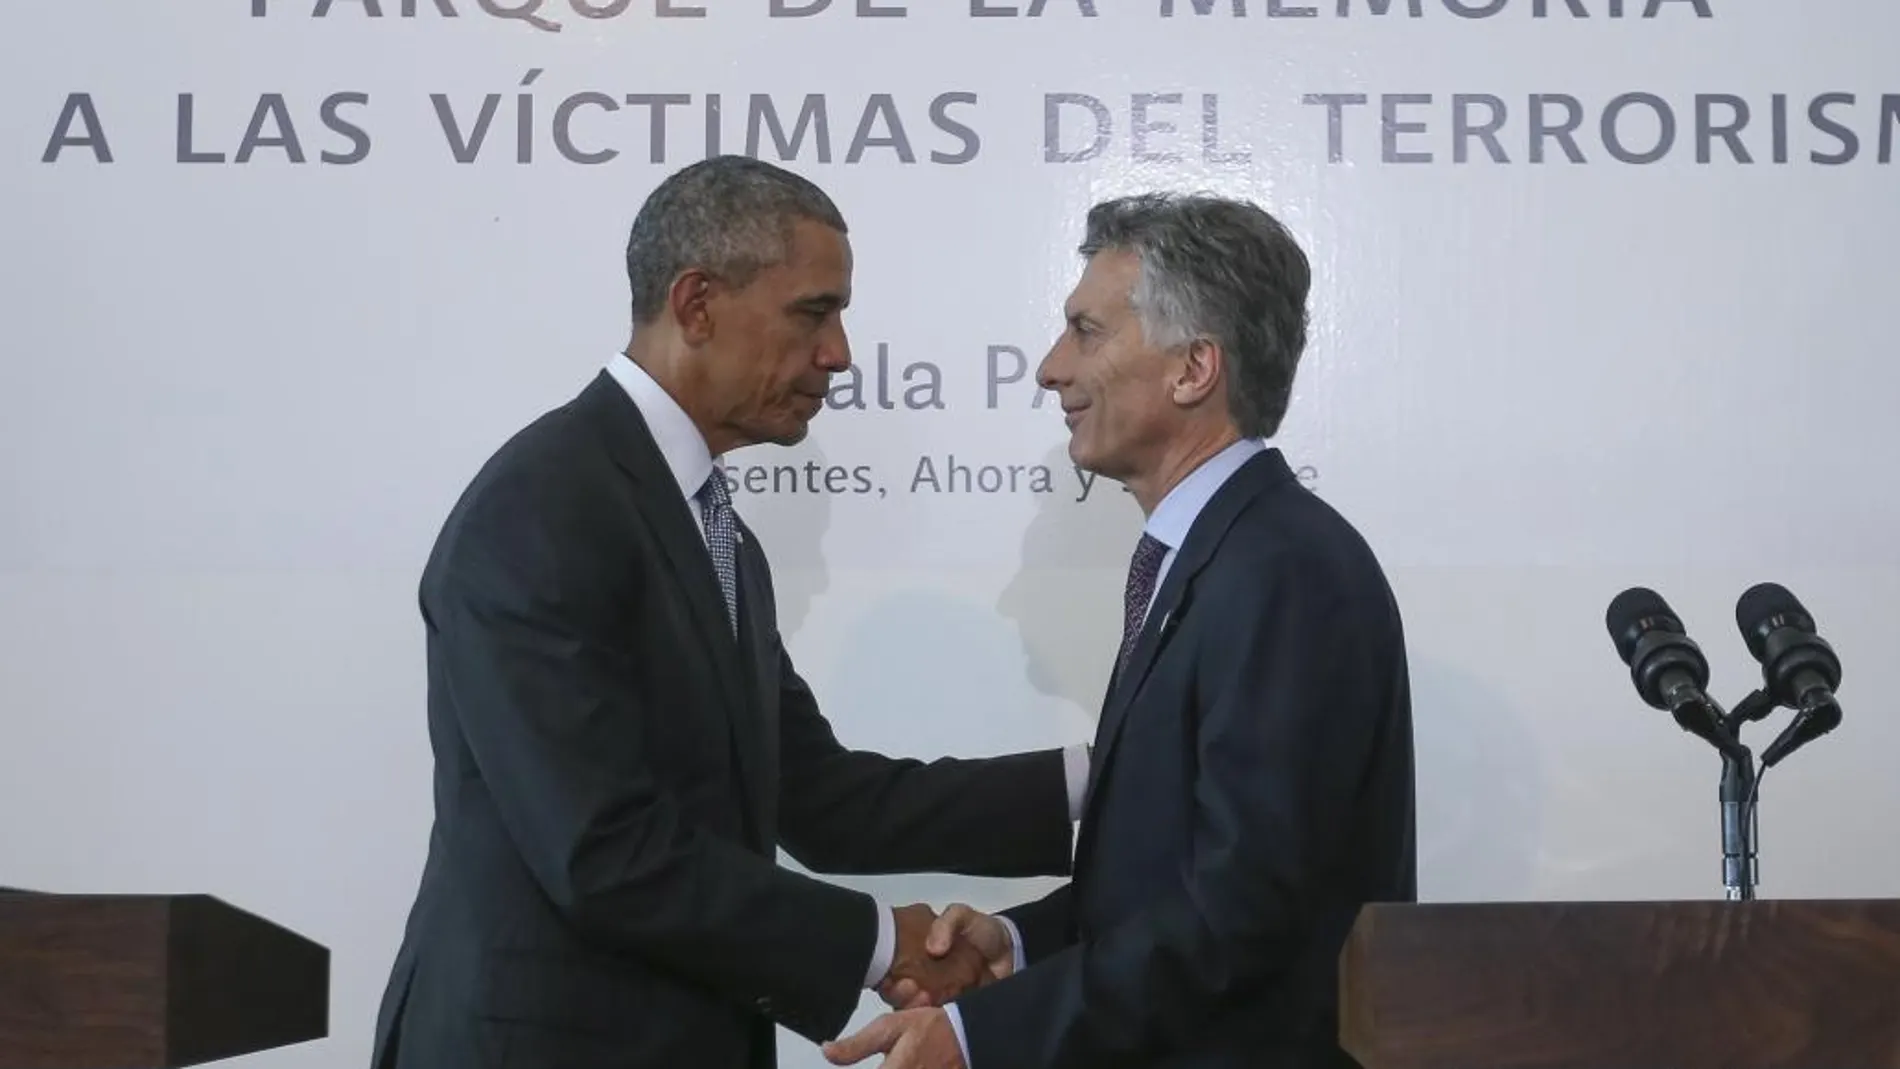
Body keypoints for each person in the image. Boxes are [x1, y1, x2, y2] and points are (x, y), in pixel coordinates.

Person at [368, 155, 1092, 1069]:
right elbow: (603, 853)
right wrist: (881, 943)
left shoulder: (716, 534)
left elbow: (825, 800)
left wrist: (1098, 777)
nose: (838, 353)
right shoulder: (544, 507)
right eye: (813, 311)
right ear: (698, 303)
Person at [822, 192, 1417, 1069]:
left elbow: (1244, 909)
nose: (1051, 368)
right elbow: (1170, 887)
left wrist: (983, 1035)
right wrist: (1014, 946)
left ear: (1193, 369)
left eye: (1086, 332)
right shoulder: (1220, 557)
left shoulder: (1285, 571)